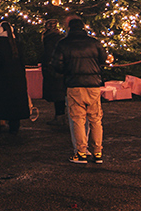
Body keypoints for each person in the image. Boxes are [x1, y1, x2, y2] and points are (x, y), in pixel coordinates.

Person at [56, 16, 106, 164]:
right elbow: (103, 59)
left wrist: (67, 70)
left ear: (69, 28)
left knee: (78, 119)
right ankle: (98, 152)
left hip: (74, 84)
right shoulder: (94, 42)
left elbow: (57, 64)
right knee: (96, 119)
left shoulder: (63, 43)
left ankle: (81, 152)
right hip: (93, 85)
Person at [0, 20, 29, 133]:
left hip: (2, 77)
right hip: (17, 77)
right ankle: (14, 124)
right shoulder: (17, 43)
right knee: (14, 101)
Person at [40, 17, 67, 128]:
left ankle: (60, 116)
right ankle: (62, 115)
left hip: (54, 69)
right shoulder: (60, 39)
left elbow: (47, 55)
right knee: (61, 93)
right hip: (60, 69)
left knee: (58, 94)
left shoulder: (49, 39)